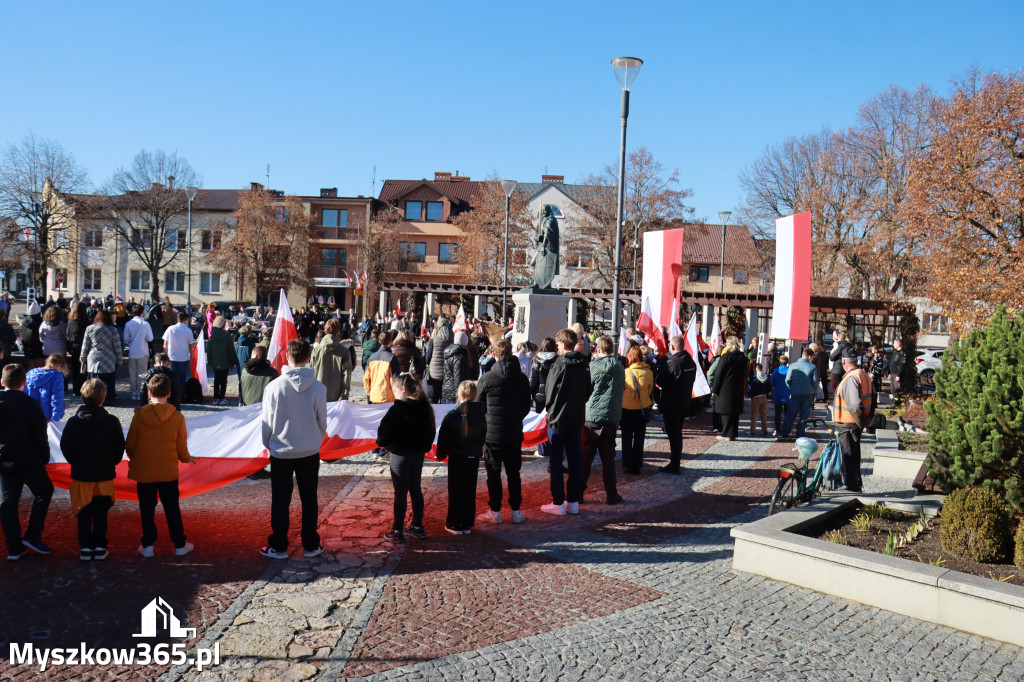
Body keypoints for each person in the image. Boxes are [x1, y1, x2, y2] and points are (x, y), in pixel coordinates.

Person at [259, 339, 328, 559]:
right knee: (309, 498)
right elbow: (322, 420)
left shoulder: (274, 387)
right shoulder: (318, 387)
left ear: (287, 356)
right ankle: (310, 543)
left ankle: (279, 545)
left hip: (281, 450)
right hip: (308, 449)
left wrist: (268, 443)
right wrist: (315, 438)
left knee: (280, 499)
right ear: (308, 357)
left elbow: (267, 421)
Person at [126, 373, 195, 558]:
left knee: (146, 509)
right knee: (172, 508)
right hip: (168, 472)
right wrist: (187, 458)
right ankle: (180, 544)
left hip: (145, 471)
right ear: (170, 393)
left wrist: (133, 456)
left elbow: (130, 444)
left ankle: (148, 545)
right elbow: (181, 447)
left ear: (149, 393)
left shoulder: (139, 415)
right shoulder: (177, 417)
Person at [60, 378, 125, 561]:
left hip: (81, 475)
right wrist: (111, 462)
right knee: (100, 514)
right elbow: (119, 447)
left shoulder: (73, 423)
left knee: (83, 513)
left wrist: (76, 462)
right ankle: (99, 546)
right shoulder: (111, 421)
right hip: (104, 475)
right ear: (102, 398)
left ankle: (85, 547)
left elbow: (66, 447)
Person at [0, 364, 54, 560]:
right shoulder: (31, 404)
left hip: (3, 458)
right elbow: (40, 435)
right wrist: (44, 457)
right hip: (28, 457)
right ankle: (32, 534)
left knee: (8, 501)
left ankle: (13, 546)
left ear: (2, 382)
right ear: (24, 382)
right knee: (44, 491)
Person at [376, 372, 436, 543]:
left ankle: (397, 530)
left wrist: (384, 443)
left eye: (395, 391)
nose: (394, 394)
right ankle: (417, 526)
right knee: (415, 488)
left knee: (400, 494)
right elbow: (430, 432)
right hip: (417, 454)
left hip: (400, 455)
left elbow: (383, 435)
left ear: (403, 389)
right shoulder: (424, 406)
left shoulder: (397, 409)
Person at [477, 339, 531, 524]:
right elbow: (526, 405)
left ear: (495, 355)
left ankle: (495, 511)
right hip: (514, 432)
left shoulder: (487, 378)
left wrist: (487, 421)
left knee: (494, 473)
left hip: (492, 434)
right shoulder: (522, 378)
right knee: (513, 473)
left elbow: (478, 406)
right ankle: (516, 511)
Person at [541, 328, 591, 515]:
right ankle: (573, 500)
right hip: (576, 417)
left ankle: (558, 501)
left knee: (556, 462)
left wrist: (551, 408)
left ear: (562, 344)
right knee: (575, 461)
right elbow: (588, 390)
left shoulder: (559, 364)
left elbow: (550, 392)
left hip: (558, 419)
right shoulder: (584, 362)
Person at [436, 380, 486, 534]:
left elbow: (444, 438)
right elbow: (483, 434)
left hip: (458, 457)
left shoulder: (453, 415)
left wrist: (441, 454)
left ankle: (455, 522)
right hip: (473, 455)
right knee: (469, 489)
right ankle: (466, 522)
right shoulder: (480, 413)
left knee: (457, 490)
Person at [583, 336, 625, 500]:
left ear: (598, 350)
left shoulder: (592, 367)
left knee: (586, 457)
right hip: (611, 417)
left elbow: (586, 389)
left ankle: (578, 493)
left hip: (592, 417)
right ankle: (611, 493)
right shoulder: (620, 367)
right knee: (608, 459)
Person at [656, 335, 697, 475]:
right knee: (676, 433)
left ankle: (675, 464)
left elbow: (660, 381)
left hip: (672, 403)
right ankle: (675, 461)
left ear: (672, 347)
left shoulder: (673, 362)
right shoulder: (690, 361)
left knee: (674, 434)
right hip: (684, 402)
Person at [834, 348, 873, 492]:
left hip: (849, 423)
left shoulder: (851, 378)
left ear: (844, 362)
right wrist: (866, 420)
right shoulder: (863, 374)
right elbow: (872, 399)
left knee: (849, 456)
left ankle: (852, 487)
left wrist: (860, 423)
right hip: (855, 423)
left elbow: (854, 405)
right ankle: (855, 483)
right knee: (854, 455)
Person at [620, 345, 655, 474]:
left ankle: (627, 464)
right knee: (639, 438)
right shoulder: (649, 372)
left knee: (626, 437)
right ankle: (637, 465)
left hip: (626, 409)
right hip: (642, 409)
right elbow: (650, 390)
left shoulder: (626, 372)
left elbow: (620, 390)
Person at [711, 336, 748, 441]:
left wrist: (715, 389)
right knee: (734, 413)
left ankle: (726, 435)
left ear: (730, 344)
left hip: (725, 388)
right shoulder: (743, 358)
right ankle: (733, 434)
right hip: (738, 387)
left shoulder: (726, 357)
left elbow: (719, 374)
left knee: (726, 412)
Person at [80, 310, 122, 402]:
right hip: (109, 358)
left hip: (93, 358)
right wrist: (119, 360)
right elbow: (117, 346)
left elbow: (85, 345)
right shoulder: (113, 330)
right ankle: (107, 399)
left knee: (93, 382)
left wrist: (82, 358)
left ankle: (91, 398)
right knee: (108, 381)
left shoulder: (89, 328)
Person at [780, 346, 819, 439]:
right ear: (809, 356)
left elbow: (787, 379)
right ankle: (800, 433)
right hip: (807, 394)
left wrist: (792, 388)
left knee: (790, 414)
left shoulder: (792, 366)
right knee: (804, 415)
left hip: (795, 393)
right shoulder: (812, 367)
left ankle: (784, 432)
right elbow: (815, 382)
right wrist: (813, 391)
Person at [529, 337, 558, 457]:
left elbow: (532, 381)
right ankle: (553, 447)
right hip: (554, 396)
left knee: (541, 423)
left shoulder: (536, 360)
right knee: (553, 422)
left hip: (540, 396)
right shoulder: (557, 360)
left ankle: (542, 449)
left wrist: (530, 394)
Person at [123, 304, 154, 401]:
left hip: (132, 351)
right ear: (142, 312)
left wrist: (132, 340)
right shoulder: (145, 324)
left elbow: (125, 339)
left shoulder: (128, 324)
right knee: (142, 373)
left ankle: (133, 392)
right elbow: (150, 338)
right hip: (143, 351)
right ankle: (141, 392)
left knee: (132, 372)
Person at [206, 316, 238, 405]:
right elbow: (231, 350)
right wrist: (233, 362)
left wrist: (210, 362)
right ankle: (222, 397)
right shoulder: (227, 336)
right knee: (224, 380)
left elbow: (209, 351)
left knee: (216, 380)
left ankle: (215, 398)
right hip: (225, 361)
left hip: (215, 362)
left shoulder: (212, 336)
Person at [26, 354, 67, 422]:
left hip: (30, 413)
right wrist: (55, 416)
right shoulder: (56, 376)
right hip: (47, 414)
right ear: (58, 365)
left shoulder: (30, 373)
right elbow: (57, 397)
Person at [163, 311, 195, 392]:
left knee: (172, 378)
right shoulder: (188, 330)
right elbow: (190, 344)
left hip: (172, 356)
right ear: (186, 320)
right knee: (182, 377)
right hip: (184, 357)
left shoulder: (170, 329)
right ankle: (182, 395)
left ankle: (172, 395)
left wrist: (164, 353)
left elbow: (165, 344)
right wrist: (191, 354)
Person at [363, 331, 396, 404]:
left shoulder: (372, 357)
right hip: (388, 397)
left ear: (379, 341)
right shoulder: (392, 358)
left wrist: (369, 392)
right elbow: (394, 380)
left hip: (374, 395)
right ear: (391, 341)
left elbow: (366, 377)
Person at [425, 317, 453, 403]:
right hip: (448, 375)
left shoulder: (434, 340)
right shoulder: (454, 340)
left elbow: (427, 358)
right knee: (445, 402)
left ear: (439, 328)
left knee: (432, 401)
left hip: (434, 375)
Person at [442, 331, 471, 404]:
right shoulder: (459, 357)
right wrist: (459, 395)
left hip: (447, 391)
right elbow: (458, 378)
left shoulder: (449, 352)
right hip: (455, 395)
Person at [769, 355, 791, 439]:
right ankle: (787, 429)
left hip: (778, 393)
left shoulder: (776, 370)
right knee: (787, 414)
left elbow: (772, 382)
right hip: (787, 394)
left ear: (780, 362)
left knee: (777, 414)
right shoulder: (790, 371)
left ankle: (777, 429)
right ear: (787, 362)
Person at [747, 362, 771, 437]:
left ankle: (752, 430)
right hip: (764, 396)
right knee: (763, 414)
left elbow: (751, 388)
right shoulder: (766, 377)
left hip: (756, 397)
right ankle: (764, 430)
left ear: (755, 369)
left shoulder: (754, 378)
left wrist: (751, 394)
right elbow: (770, 387)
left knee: (754, 414)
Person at [21, 301, 44, 369]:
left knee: (30, 368)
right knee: (39, 368)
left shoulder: (24, 322)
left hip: (28, 350)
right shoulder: (40, 322)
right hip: (39, 350)